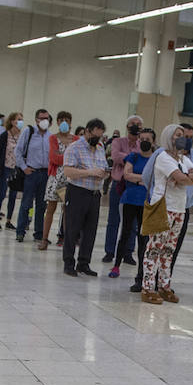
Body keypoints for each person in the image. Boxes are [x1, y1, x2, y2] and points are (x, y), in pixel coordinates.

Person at [139, 123, 193, 304]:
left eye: (183, 135)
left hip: (180, 209)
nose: (181, 138)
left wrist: (182, 178)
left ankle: (164, 286)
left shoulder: (182, 159)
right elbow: (184, 178)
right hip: (163, 207)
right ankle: (147, 288)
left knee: (169, 250)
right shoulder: (163, 157)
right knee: (154, 249)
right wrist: (183, 178)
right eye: (177, 135)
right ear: (168, 137)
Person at [61, 118, 110, 277]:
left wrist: (103, 173)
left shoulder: (100, 148)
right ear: (87, 132)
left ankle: (84, 262)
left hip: (94, 193)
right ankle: (69, 262)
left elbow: (101, 167)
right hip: (77, 192)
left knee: (90, 230)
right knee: (72, 229)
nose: (97, 140)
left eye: (101, 136)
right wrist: (90, 172)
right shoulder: (74, 148)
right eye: (95, 136)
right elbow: (68, 171)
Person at [111, 129, 153, 279]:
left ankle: (142, 271)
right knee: (126, 232)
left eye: (147, 139)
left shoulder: (155, 159)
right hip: (129, 199)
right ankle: (116, 265)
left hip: (147, 202)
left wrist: (140, 179)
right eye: (141, 139)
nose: (144, 141)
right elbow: (127, 175)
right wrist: (145, 179)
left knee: (143, 237)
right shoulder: (133, 156)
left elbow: (155, 179)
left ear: (153, 142)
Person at [103, 115, 143, 263]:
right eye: (133, 123)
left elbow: (143, 159)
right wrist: (133, 158)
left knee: (133, 222)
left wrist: (127, 158)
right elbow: (115, 156)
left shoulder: (142, 144)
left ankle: (128, 252)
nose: (136, 126)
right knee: (113, 220)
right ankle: (109, 251)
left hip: (134, 186)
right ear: (127, 126)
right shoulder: (117, 141)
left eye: (139, 124)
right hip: (118, 184)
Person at [169, 123, 193, 275]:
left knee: (174, 246)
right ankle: (145, 279)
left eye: (191, 137)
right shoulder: (165, 154)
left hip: (184, 208)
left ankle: (166, 279)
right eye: (185, 137)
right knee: (157, 245)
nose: (188, 140)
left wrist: (187, 191)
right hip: (166, 206)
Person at [14, 109, 53, 243]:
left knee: (42, 205)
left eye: (47, 118)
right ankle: (20, 231)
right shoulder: (28, 132)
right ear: (36, 119)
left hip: (45, 174)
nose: (44, 121)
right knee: (26, 203)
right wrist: (24, 168)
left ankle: (39, 233)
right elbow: (18, 151)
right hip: (32, 173)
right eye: (42, 118)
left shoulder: (50, 136)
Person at [38, 112, 76, 251]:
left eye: (67, 120)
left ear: (71, 122)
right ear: (58, 122)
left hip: (70, 179)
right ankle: (44, 238)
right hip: (55, 177)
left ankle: (66, 240)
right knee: (50, 209)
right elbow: (54, 158)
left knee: (68, 210)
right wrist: (67, 157)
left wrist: (62, 156)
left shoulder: (76, 139)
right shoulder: (53, 138)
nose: (64, 122)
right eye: (61, 120)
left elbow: (75, 159)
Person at [0, 113, 23, 230]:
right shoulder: (5, 135)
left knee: (13, 195)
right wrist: (0, 165)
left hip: (16, 169)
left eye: (21, 120)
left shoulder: (22, 136)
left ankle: (9, 220)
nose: (20, 122)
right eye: (18, 120)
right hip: (6, 168)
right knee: (2, 193)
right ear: (12, 121)